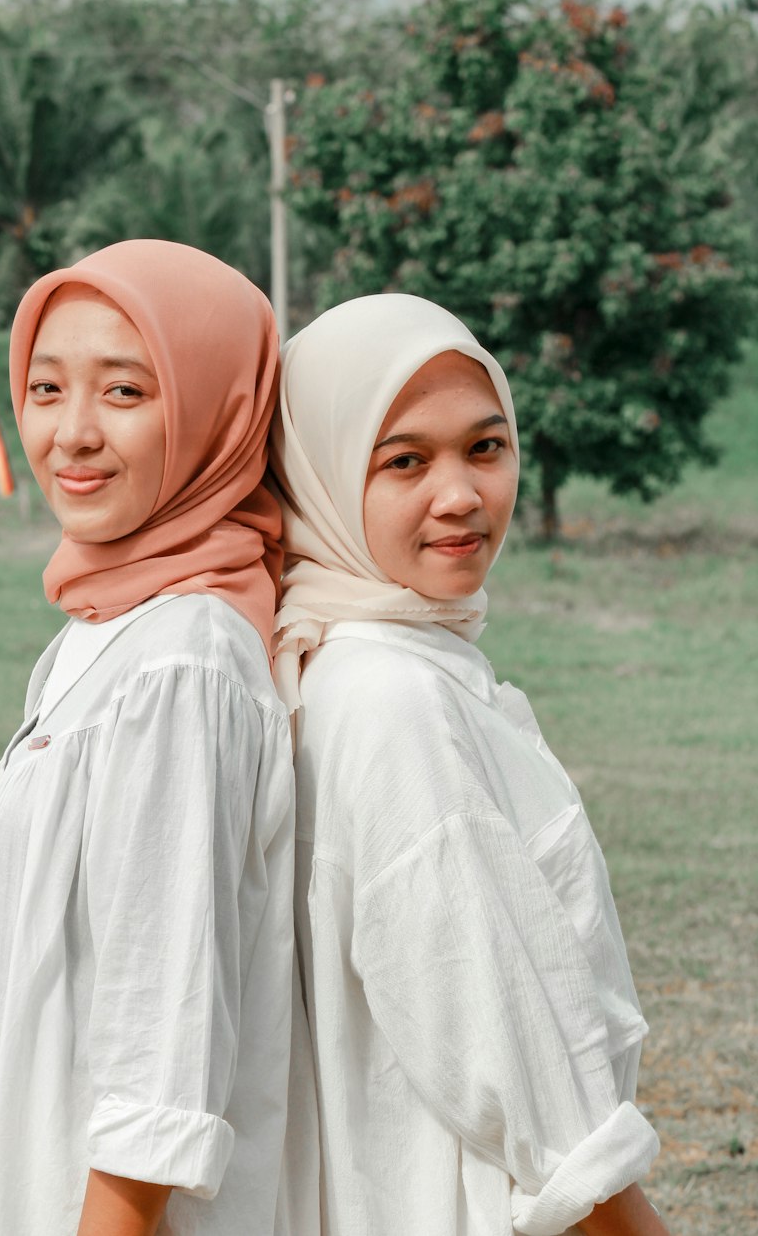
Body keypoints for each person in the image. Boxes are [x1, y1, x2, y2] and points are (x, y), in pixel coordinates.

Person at [270, 293, 671, 1236]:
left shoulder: (355, 662)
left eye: (485, 448)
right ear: (320, 475)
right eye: (404, 459)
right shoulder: (393, 701)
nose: (461, 495)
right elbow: (523, 1083)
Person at [0, 240, 296, 1236]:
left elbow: (158, 1050)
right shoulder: (100, 635)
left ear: (220, 412)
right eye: (46, 389)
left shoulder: (186, 661)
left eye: (126, 391)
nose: (71, 434)